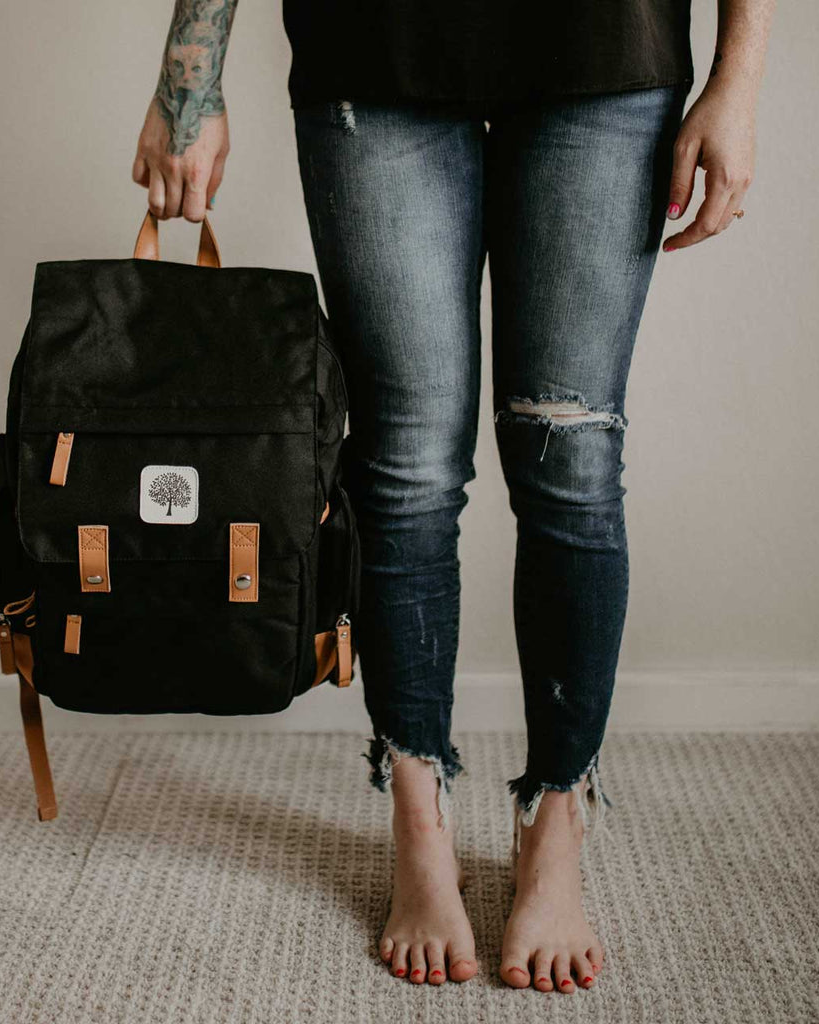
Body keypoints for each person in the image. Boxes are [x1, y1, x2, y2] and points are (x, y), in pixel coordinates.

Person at [132, 0, 774, 994]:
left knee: (570, 462)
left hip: (607, 50)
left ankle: (556, 824)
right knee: (404, 471)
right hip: (374, 47)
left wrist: (738, 77)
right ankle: (418, 822)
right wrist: (190, 82)